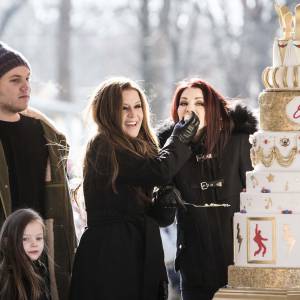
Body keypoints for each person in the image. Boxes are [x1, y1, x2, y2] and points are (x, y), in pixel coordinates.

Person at [69, 77, 200, 300]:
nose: (133, 115)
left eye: (138, 106)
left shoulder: (138, 148)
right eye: (124, 108)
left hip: (137, 255)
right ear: (108, 113)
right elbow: (159, 171)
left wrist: (163, 206)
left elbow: (142, 212)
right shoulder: (103, 145)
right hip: (110, 259)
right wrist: (179, 138)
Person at [157, 78, 257, 300]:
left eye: (199, 103)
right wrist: (164, 200)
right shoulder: (170, 152)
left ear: (212, 108)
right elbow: (163, 217)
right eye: (183, 103)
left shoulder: (239, 141)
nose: (190, 109)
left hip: (240, 263)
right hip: (195, 267)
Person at [0, 42, 76, 300]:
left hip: (45, 269)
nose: (26, 86)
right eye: (15, 80)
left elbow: (62, 213)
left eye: (28, 78)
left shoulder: (47, 136)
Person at [0, 208, 50, 300]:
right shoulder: (12, 279)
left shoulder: (39, 268)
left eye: (38, 238)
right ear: (8, 242)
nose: (34, 244)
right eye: (25, 239)